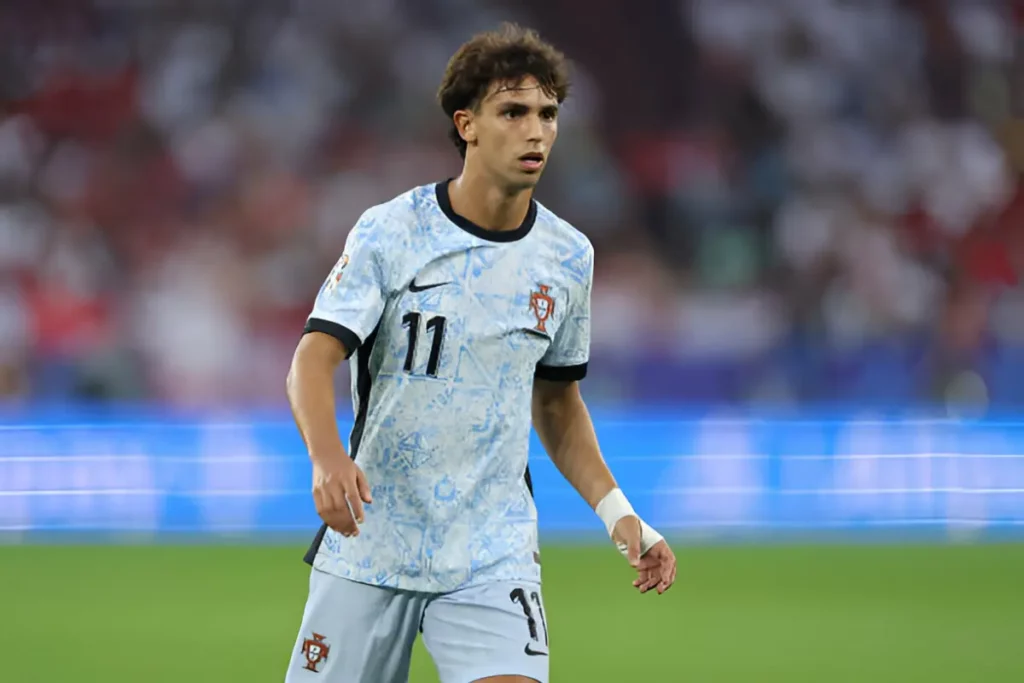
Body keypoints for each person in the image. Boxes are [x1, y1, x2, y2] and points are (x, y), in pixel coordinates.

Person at [283, 23, 676, 683]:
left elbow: (556, 401)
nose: (537, 131)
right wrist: (327, 457)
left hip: (491, 551)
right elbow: (313, 356)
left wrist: (620, 513)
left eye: (548, 114)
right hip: (373, 539)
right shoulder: (393, 231)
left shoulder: (566, 257)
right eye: (513, 111)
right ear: (467, 124)